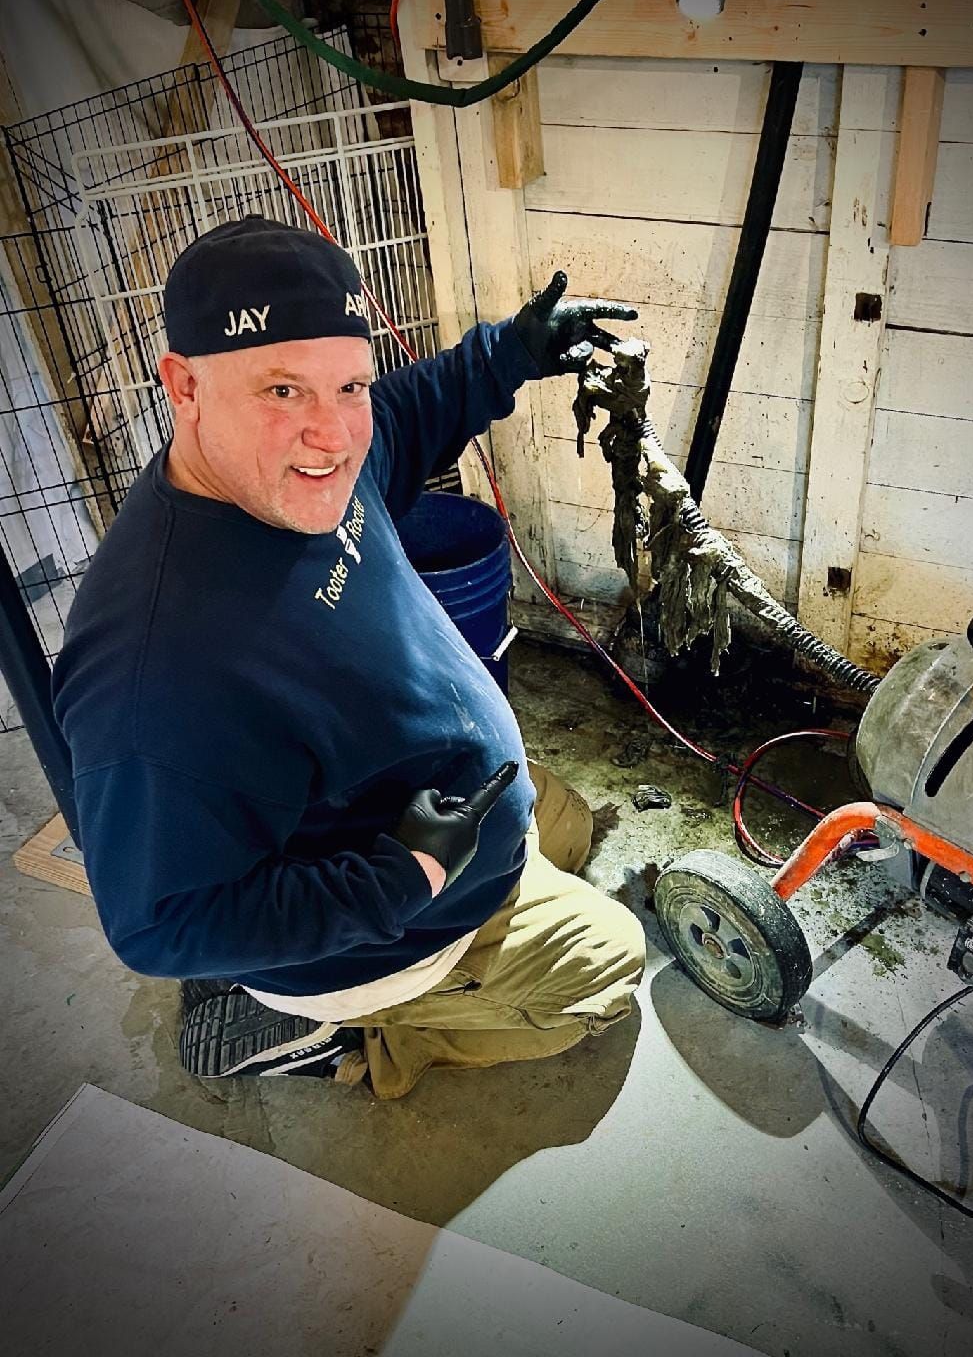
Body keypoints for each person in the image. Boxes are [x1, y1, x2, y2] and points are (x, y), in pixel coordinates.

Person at [53, 216, 647, 1099]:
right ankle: (342, 1035)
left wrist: (509, 353)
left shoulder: (306, 468)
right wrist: (401, 877)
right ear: (182, 386)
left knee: (569, 825)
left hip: (440, 802)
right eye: (282, 390)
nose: (332, 435)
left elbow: (401, 420)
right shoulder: (154, 670)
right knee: (611, 971)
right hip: (397, 911)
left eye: (348, 385)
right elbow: (160, 926)